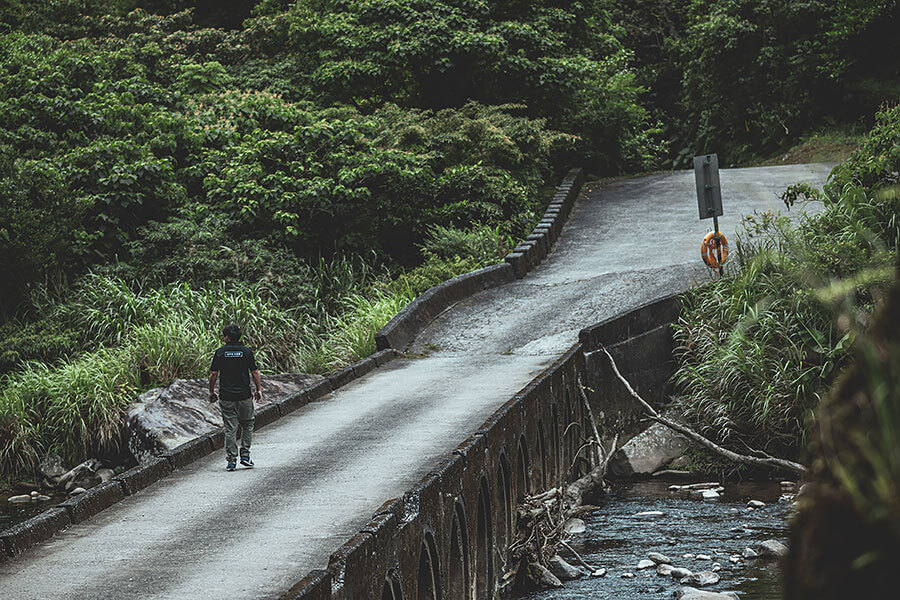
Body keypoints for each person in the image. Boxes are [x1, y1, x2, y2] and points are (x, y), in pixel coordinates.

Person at [208, 324, 262, 471]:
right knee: (248, 424)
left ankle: (231, 460)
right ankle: (245, 456)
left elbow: (213, 374)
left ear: (226, 337)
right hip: (244, 395)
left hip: (226, 396)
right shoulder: (246, 352)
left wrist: (212, 392)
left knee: (230, 428)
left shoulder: (220, 352)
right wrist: (259, 390)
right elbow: (254, 372)